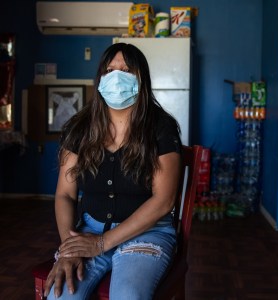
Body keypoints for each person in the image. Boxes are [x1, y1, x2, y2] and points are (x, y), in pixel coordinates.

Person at [44, 42, 182, 300]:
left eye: (126, 70)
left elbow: (164, 201)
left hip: (147, 233)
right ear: (100, 79)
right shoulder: (79, 128)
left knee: (128, 295)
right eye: (110, 70)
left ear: (141, 79)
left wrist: (102, 243)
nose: (117, 77)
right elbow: (64, 194)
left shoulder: (161, 127)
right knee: (60, 297)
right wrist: (69, 247)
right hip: (89, 232)